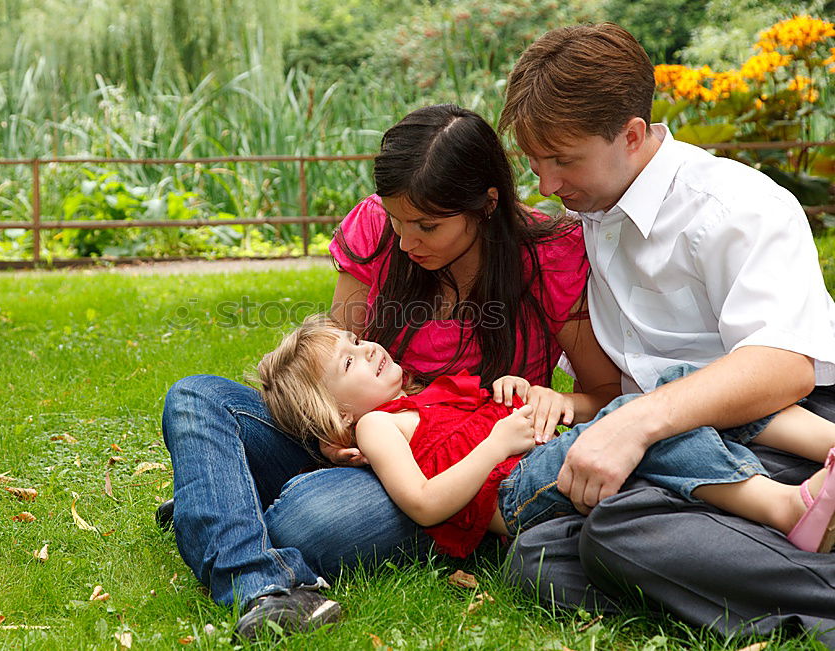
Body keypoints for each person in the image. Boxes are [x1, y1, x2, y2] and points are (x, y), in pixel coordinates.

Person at [160, 104, 621, 639]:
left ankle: (216, 501)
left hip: (444, 473)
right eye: (398, 220)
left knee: (304, 523)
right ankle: (262, 586)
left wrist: (553, 399)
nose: (406, 241)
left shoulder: (548, 256)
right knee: (197, 397)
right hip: (355, 435)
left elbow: (604, 393)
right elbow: (327, 365)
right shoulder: (376, 230)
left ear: (487, 204)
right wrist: (327, 431)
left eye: (428, 226)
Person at [498, 22, 835, 645]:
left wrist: (637, 422)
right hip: (679, 440)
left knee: (616, 527)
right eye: (535, 163)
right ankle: (776, 558)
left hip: (787, 424)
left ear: (630, 135)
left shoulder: (735, 205)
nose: (546, 186)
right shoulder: (591, 212)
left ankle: (780, 548)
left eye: (563, 161)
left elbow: (786, 365)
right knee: (538, 554)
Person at [257, 316, 835, 561]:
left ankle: (825, 444)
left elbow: (497, 421)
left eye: (357, 341)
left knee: (686, 389)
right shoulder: (377, 426)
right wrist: (499, 441)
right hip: (514, 498)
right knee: (642, 415)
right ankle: (785, 507)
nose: (369, 349)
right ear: (336, 418)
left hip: (542, 458)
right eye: (350, 363)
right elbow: (426, 504)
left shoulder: (426, 397)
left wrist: (519, 393)